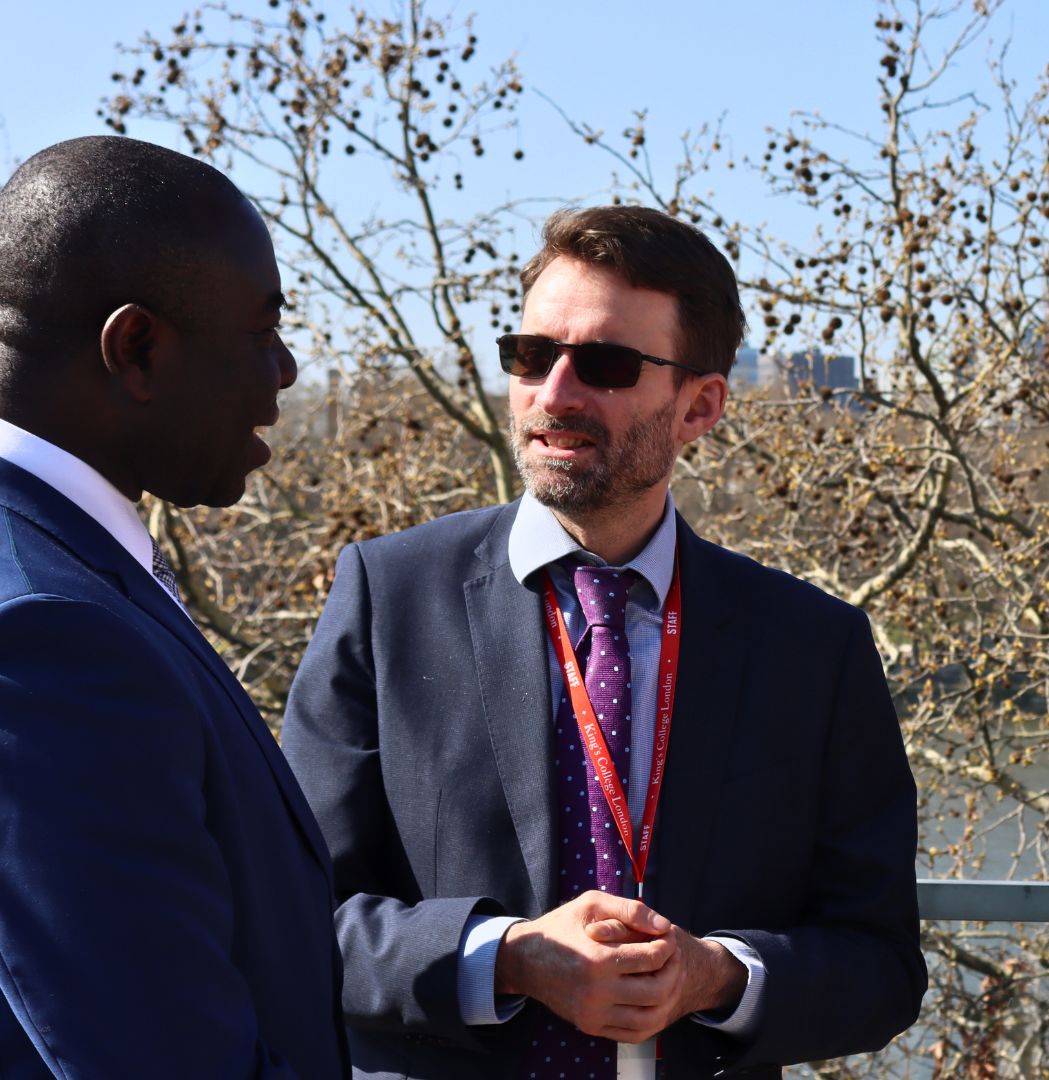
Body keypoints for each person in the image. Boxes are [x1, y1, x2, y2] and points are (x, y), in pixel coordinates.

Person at [280, 204, 925, 1079]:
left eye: (607, 365)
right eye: (533, 355)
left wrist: (720, 978)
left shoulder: (814, 647)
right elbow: (286, 916)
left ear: (700, 405)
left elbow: (880, 966)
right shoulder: (385, 599)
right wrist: (502, 958)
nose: (555, 394)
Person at [0, 136, 345, 1076]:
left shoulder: (66, 572)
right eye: (261, 330)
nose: (285, 369)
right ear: (137, 348)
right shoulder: (50, 637)